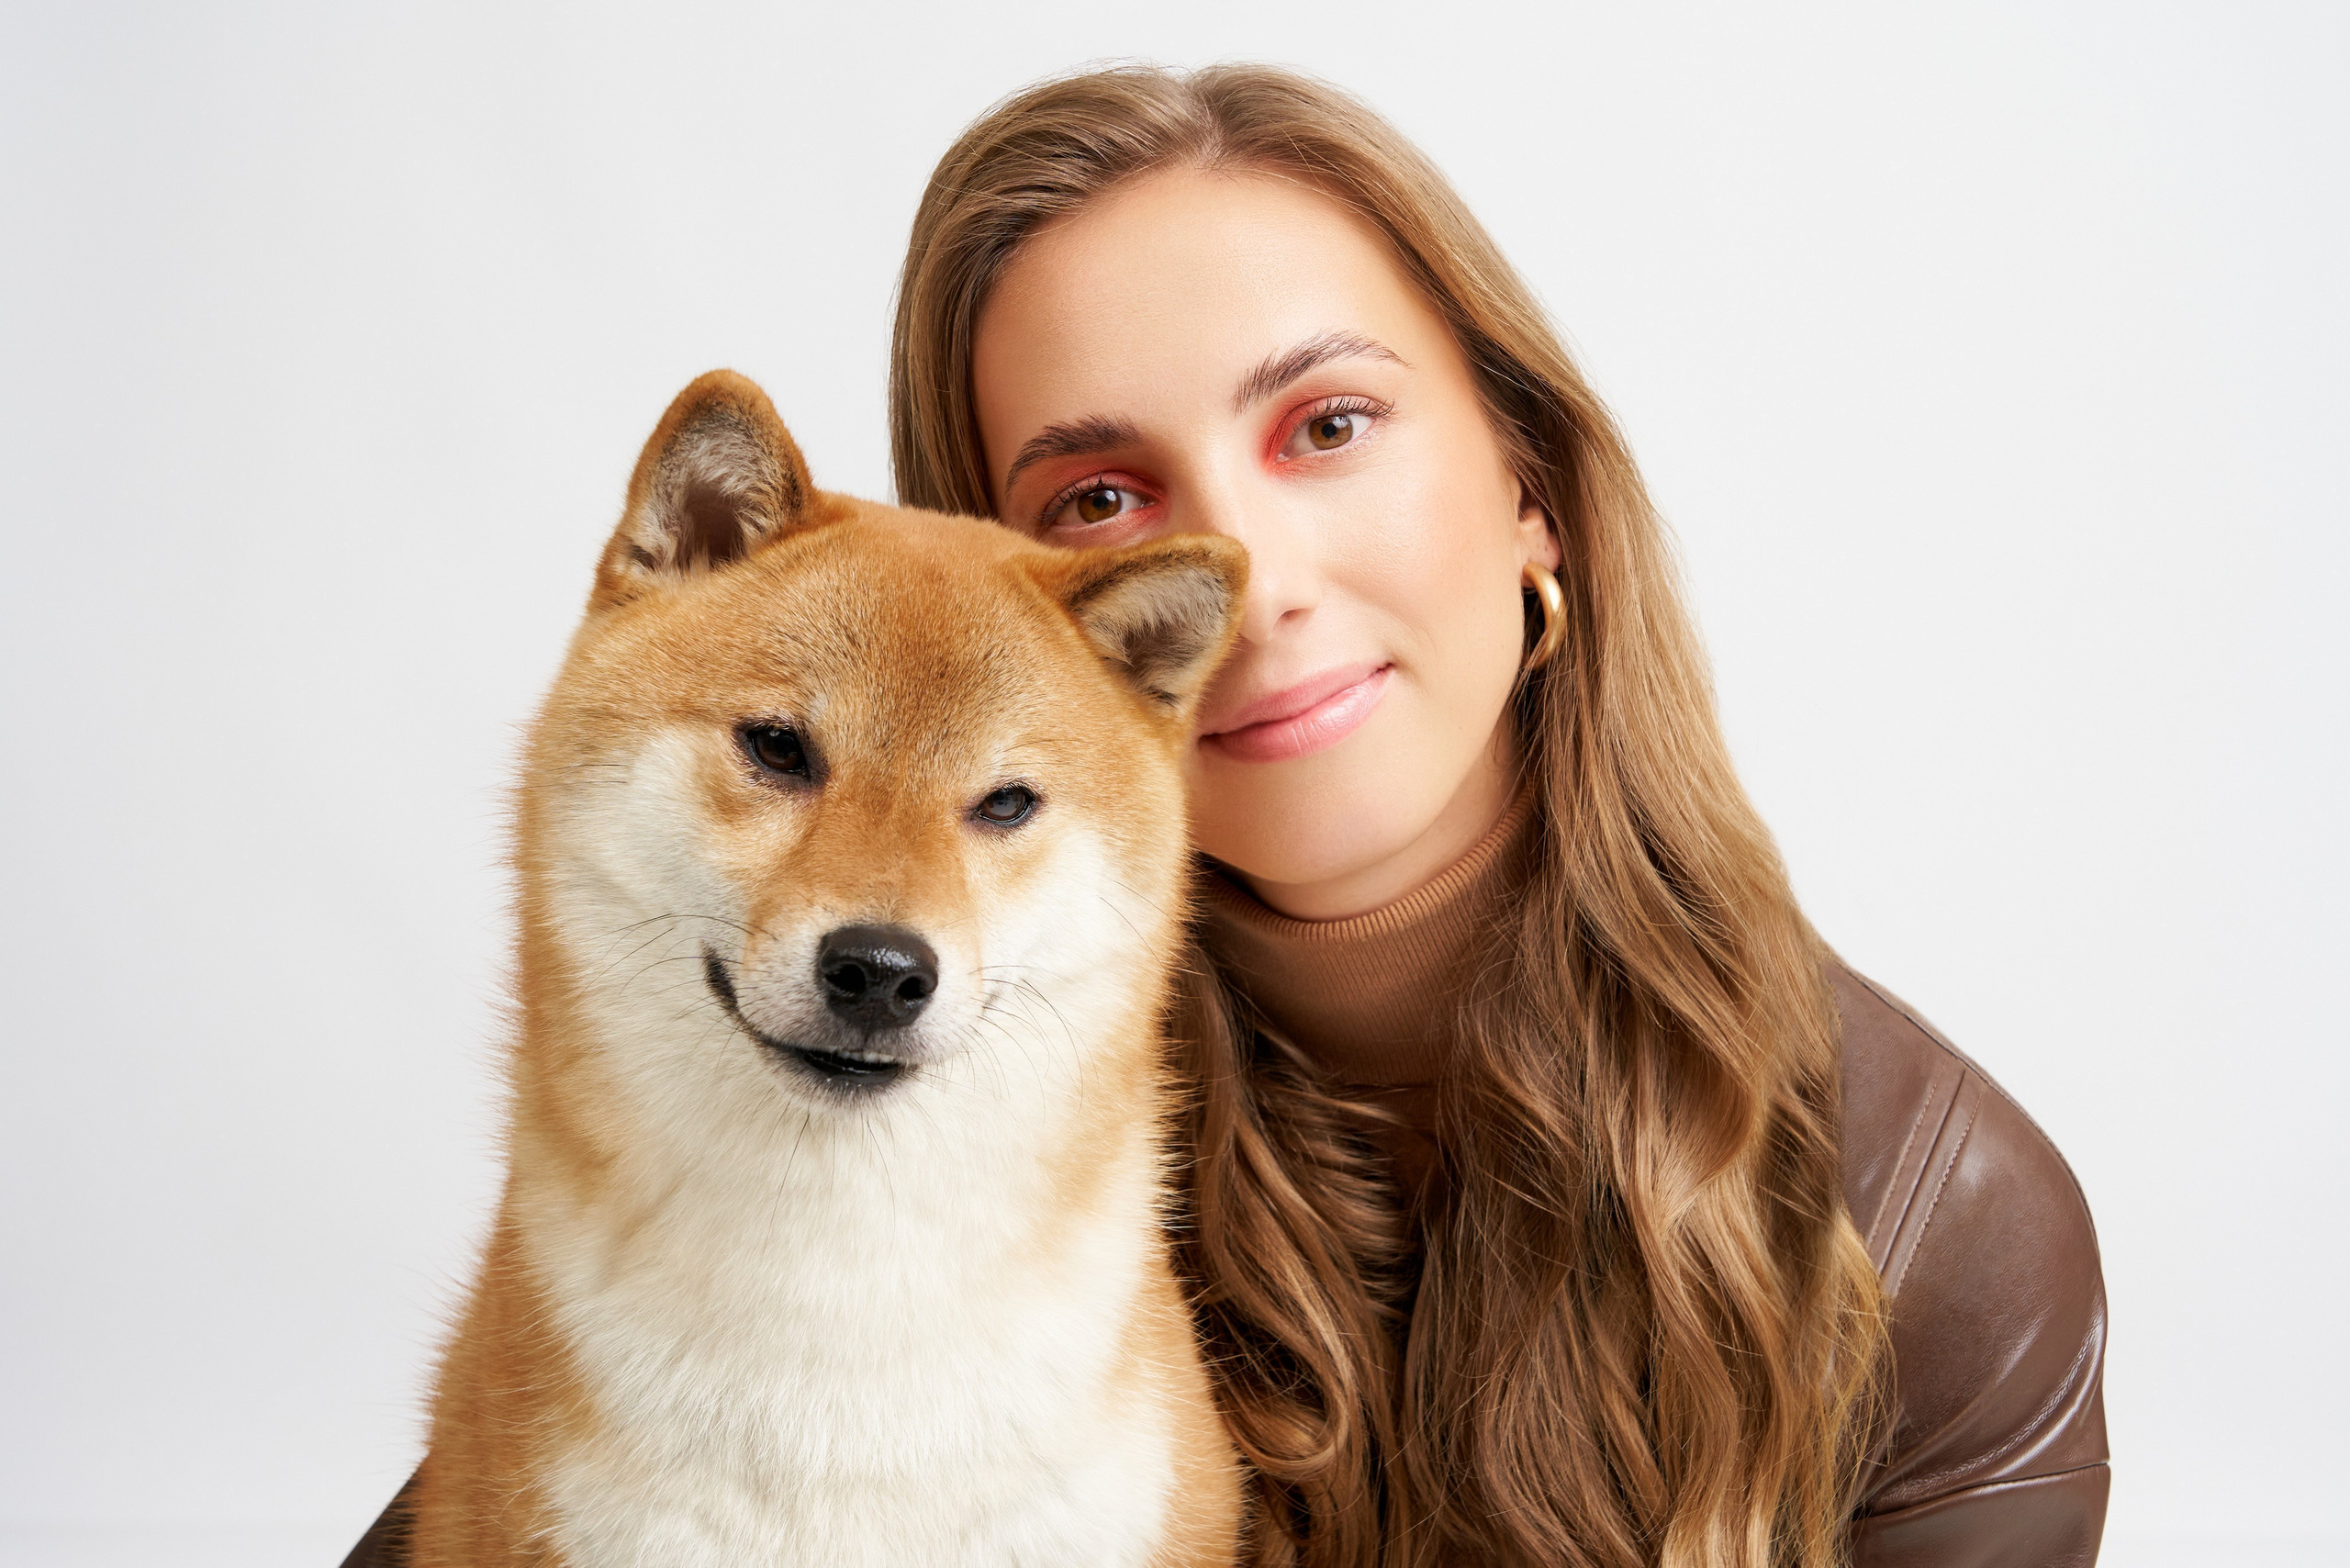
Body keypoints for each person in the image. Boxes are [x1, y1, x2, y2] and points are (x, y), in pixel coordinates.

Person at [341, 62, 2106, 1568]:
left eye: (1327, 423)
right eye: (1098, 493)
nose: (1247, 583)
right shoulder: (890, 1065)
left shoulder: (1945, 1224)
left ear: (1532, 492)